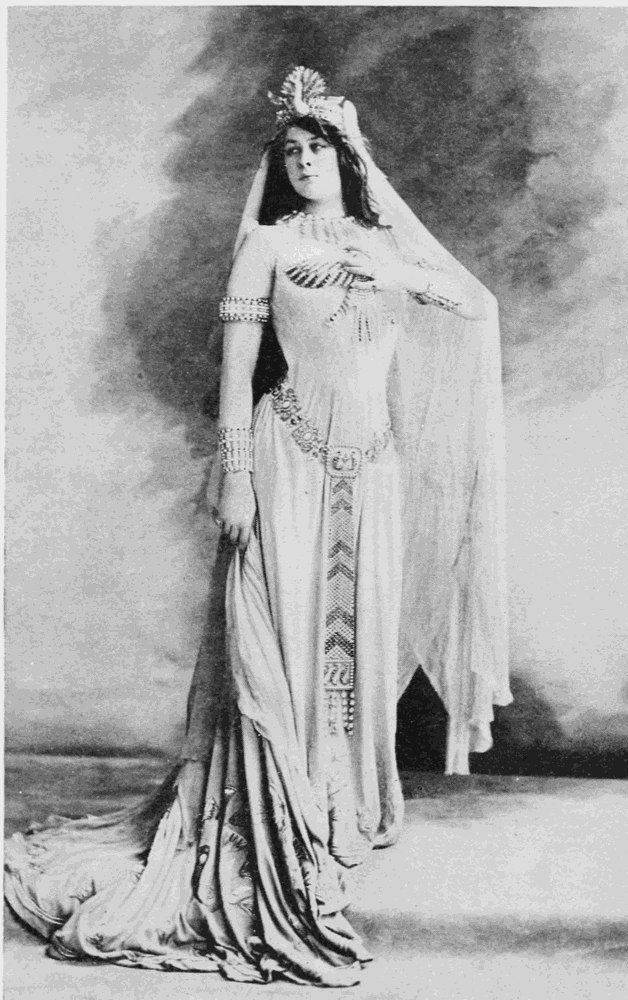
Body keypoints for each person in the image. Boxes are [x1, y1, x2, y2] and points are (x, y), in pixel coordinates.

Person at [4, 68, 511, 987]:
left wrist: (391, 271)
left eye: (319, 148)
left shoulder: (387, 243)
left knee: (357, 632)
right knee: (277, 634)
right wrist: (236, 474)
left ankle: (340, 800)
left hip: (372, 466)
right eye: (292, 151)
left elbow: (476, 308)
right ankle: (277, 807)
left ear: (349, 159)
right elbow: (238, 375)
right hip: (287, 454)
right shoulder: (267, 247)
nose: (305, 161)